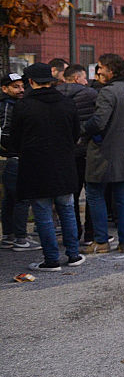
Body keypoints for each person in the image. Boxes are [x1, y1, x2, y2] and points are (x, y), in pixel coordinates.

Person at [9, 63, 82, 271]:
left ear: (31, 82)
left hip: (36, 166)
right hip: (65, 165)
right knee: (67, 210)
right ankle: (74, 254)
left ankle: (51, 259)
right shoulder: (67, 103)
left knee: (43, 213)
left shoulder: (23, 106)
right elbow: (76, 134)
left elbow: (15, 139)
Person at [81, 53, 124, 253]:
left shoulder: (108, 92)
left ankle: (101, 241)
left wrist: (81, 128)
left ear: (111, 69)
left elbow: (98, 122)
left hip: (104, 153)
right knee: (123, 196)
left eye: (100, 67)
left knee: (94, 193)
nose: (98, 71)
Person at [56, 64, 98, 245]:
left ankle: (72, 233)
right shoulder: (90, 95)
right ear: (76, 78)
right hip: (87, 150)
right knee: (92, 193)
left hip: (65, 152)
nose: (86, 81)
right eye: (84, 78)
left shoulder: (54, 95)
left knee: (69, 196)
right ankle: (90, 233)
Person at [0, 73, 38, 251]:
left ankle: (9, 235)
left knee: (10, 198)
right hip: (13, 157)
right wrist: (15, 149)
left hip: (10, 157)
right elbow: (5, 133)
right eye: (16, 87)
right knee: (21, 197)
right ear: (5, 89)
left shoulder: (11, 103)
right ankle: (20, 239)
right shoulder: (8, 105)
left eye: (22, 86)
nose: (21, 90)